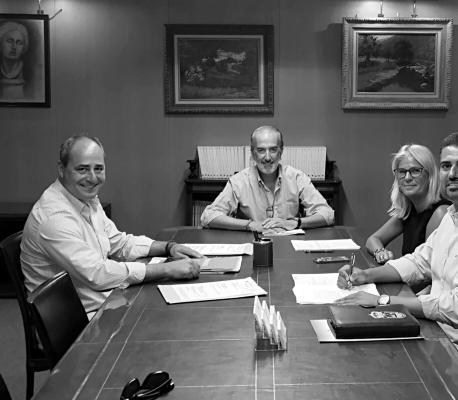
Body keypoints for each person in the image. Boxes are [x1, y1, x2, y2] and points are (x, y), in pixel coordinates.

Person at [335, 132, 458, 399]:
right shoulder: (454, 217)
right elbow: (419, 261)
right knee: (352, 361)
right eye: (446, 166)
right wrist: (365, 275)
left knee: (363, 375)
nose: (452, 174)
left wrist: (383, 301)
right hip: (438, 335)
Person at [21, 135, 205, 318]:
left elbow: (120, 243)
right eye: (82, 169)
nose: (92, 178)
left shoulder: (85, 198)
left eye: (98, 168)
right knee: (169, 318)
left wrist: (169, 247)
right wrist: (166, 269)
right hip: (77, 322)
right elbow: (98, 274)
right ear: (62, 169)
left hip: (103, 302)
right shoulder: (54, 217)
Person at [200, 125, 334, 232]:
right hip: (253, 244)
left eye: (273, 149)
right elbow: (208, 216)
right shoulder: (238, 181)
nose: (268, 157)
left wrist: (294, 223)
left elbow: (328, 214)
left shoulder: (297, 177)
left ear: (281, 151)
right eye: (261, 150)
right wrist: (250, 225)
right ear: (253, 153)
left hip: (289, 244)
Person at [366, 144, 449, 264]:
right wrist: (380, 252)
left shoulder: (440, 213)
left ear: (430, 175)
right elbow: (373, 239)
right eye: (402, 172)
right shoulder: (410, 209)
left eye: (415, 171)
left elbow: (427, 267)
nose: (407, 178)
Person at [0, 21, 28, 99]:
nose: (14, 47)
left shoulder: (28, 72)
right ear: (0, 44)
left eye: (19, 43)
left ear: (23, 47)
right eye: (9, 41)